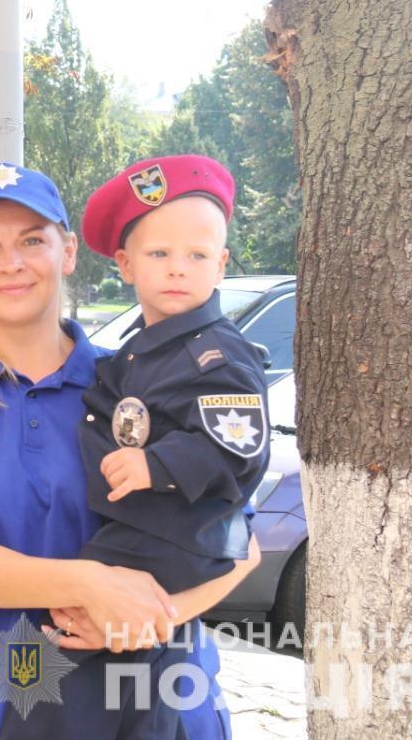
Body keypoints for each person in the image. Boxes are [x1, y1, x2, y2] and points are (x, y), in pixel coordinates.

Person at [0, 164, 257, 738]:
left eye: (32, 240)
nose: (11, 263)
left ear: (67, 253)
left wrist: (144, 619)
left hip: (157, 685)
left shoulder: (138, 382)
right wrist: (89, 586)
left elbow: (243, 542)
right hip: (20, 690)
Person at [73, 155, 269, 594]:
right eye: (159, 253)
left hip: (178, 537)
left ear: (220, 266)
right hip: (145, 528)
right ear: (126, 265)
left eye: (197, 255)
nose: (177, 267)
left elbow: (238, 446)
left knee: (77, 611)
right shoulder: (141, 348)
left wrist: (157, 464)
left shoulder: (218, 353)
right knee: (74, 609)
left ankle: (58, 652)